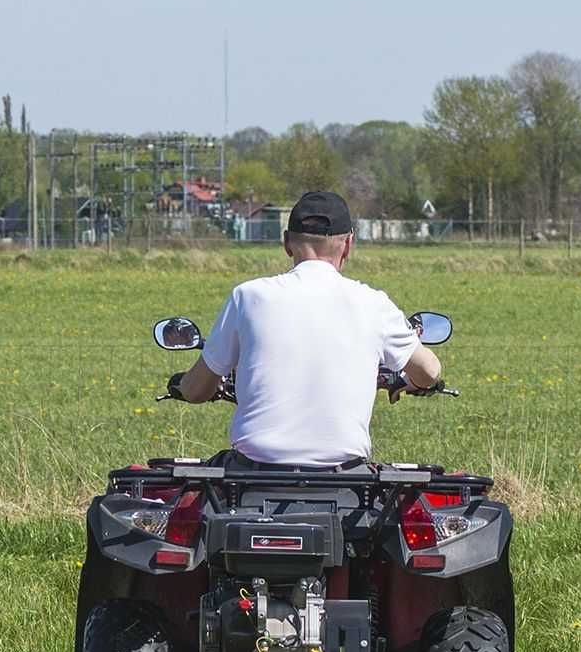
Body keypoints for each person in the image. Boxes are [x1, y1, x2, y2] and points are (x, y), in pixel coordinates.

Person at [168, 189, 441, 465]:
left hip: (253, 475)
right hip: (347, 480)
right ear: (348, 244)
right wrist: (412, 383)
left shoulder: (248, 297)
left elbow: (196, 391)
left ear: (287, 243)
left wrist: (181, 383)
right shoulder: (373, 303)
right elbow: (429, 370)